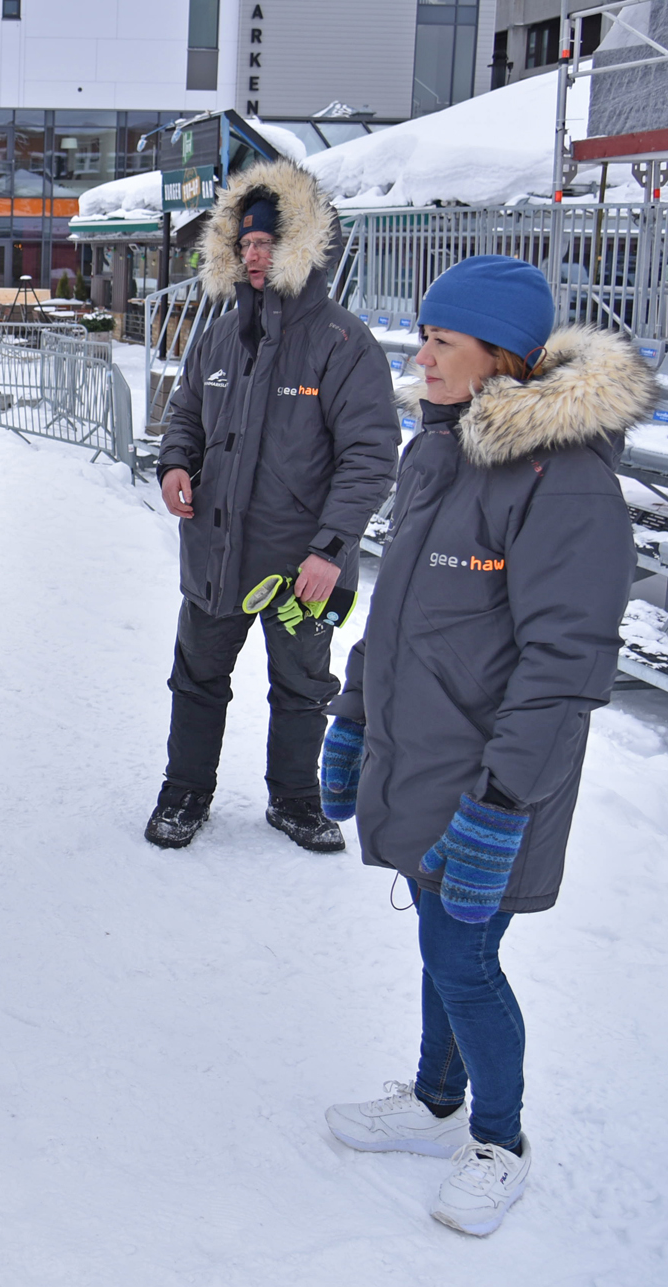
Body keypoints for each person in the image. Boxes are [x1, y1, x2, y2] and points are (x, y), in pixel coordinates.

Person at [320, 256, 654, 1236]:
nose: (419, 354)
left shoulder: (566, 482)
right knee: (440, 939)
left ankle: (498, 1142)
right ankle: (432, 1101)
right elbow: (404, 606)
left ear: (502, 359)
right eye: (420, 335)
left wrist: (502, 806)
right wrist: (352, 714)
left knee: (463, 955)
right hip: (424, 753)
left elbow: (566, 662)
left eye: (441, 341)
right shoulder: (440, 451)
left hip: (495, 780)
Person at [148, 158, 398, 853]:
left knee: (301, 686)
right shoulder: (219, 335)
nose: (253, 256)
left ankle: (294, 799)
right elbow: (185, 418)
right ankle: (184, 791)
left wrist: (330, 549)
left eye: (267, 243)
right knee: (196, 677)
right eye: (245, 244)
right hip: (216, 554)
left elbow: (369, 458)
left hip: (301, 567)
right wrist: (174, 465)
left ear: (302, 245)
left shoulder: (343, 345)